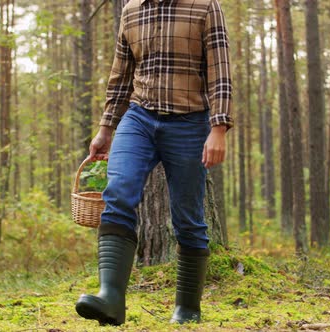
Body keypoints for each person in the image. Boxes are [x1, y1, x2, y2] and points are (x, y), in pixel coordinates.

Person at [75, 0, 233, 326]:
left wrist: (218, 128)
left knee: (188, 218)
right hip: (139, 118)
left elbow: (221, 71)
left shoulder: (205, 7)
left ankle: (188, 307)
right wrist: (106, 129)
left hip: (190, 123)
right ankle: (111, 298)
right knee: (117, 192)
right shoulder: (132, 10)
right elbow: (121, 75)